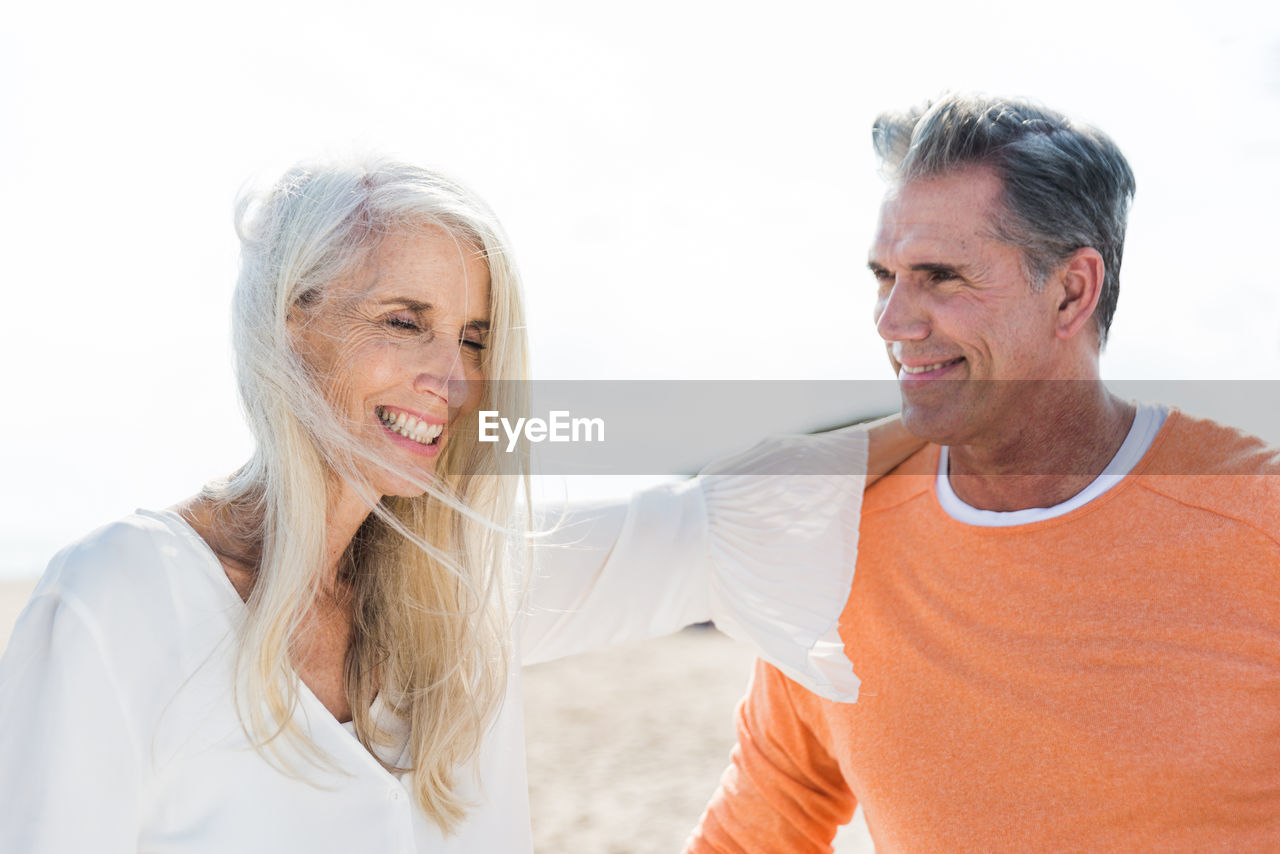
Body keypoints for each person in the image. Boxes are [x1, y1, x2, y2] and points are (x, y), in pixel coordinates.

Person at [0, 157, 919, 853]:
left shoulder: (465, 592)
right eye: (405, 322)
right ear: (293, 322)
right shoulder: (117, 601)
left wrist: (959, 411)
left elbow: (704, 526)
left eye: (475, 338)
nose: (454, 376)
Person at [685, 94, 1280, 852]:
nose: (893, 320)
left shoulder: (1258, 524)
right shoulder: (836, 550)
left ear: (1071, 291)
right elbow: (756, 830)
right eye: (884, 276)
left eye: (940, 276)